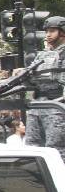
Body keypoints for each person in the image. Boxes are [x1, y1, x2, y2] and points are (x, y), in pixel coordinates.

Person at [25, 15, 65, 161]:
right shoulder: (41, 55)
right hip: (37, 106)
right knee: (31, 147)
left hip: (57, 106)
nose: (48, 34)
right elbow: (30, 77)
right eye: (46, 31)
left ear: (62, 32)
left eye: (52, 31)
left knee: (56, 149)